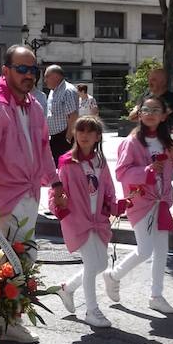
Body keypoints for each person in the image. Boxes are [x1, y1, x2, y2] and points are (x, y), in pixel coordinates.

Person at [0, 45, 59, 343]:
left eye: (33, 70)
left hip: (30, 194)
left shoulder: (34, 105)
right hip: (2, 199)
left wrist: (55, 184)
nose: (28, 75)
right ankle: (4, 321)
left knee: (25, 258)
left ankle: (8, 319)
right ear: (5, 71)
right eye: (21, 69)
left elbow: (43, 147)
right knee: (3, 262)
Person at [103, 97, 173, 315]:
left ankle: (156, 295)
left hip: (161, 201)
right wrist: (147, 170)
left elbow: (166, 172)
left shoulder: (166, 141)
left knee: (162, 249)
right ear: (139, 113)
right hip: (141, 202)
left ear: (164, 115)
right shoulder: (132, 142)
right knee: (145, 250)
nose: (150, 113)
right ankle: (113, 275)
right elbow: (121, 172)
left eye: (156, 109)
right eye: (146, 109)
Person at [49, 116, 128, 329]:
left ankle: (67, 288)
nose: (84, 135)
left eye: (89, 132)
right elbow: (56, 192)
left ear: (98, 136)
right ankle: (91, 311)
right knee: (93, 264)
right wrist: (60, 201)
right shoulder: (66, 162)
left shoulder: (100, 162)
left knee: (101, 264)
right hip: (77, 220)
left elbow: (108, 189)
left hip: (98, 220)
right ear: (74, 134)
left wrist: (115, 205)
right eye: (80, 130)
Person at [45, 64, 79, 164]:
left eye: (47, 76)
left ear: (56, 76)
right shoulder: (53, 91)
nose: (45, 80)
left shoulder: (67, 90)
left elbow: (73, 115)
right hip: (55, 137)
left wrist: (68, 137)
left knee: (65, 167)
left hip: (64, 137)